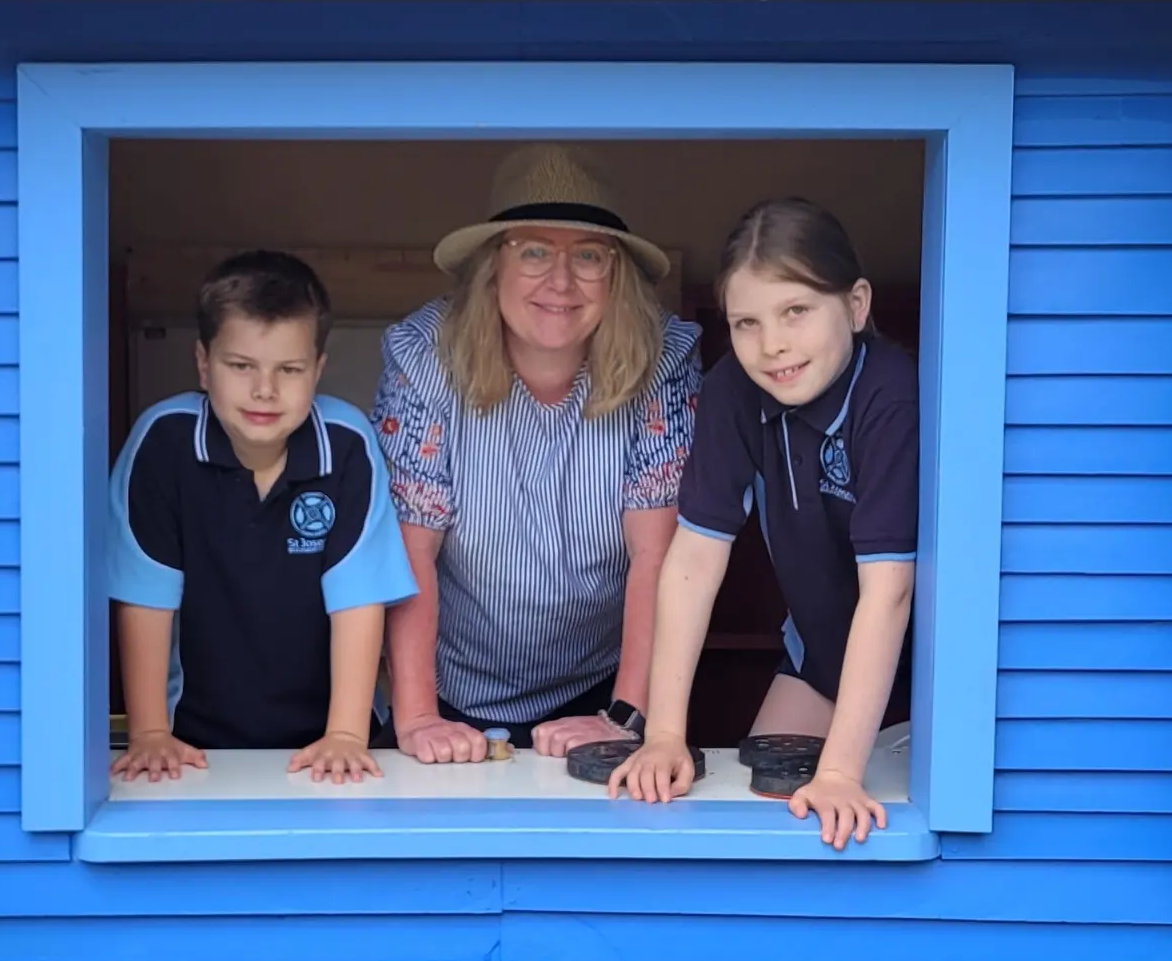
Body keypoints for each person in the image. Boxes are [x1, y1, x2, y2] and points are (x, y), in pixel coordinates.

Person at [372, 145, 700, 758]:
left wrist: (626, 716)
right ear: (492, 265)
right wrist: (416, 717)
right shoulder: (423, 358)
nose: (561, 282)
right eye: (534, 252)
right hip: (447, 687)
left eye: (589, 256)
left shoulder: (665, 359)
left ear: (618, 273)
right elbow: (412, 550)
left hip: (605, 684)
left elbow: (659, 557)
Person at [611, 199, 918, 848]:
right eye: (745, 322)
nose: (771, 344)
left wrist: (839, 769)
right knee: (759, 824)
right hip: (820, 659)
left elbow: (889, 590)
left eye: (795, 312)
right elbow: (692, 560)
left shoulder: (891, 394)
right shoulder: (732, 389)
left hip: (922, 675)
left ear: (857, 305)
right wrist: (664, 733)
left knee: (856, 831)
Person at [111, 250, 415, 783]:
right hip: (193, 737)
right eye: (241, 366)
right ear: (204, 364)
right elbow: (144, 596)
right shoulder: (163, 442)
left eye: (289, 370)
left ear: (318, 370)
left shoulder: (346, 446)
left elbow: (359, 600)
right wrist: (150, 733)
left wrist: (345, 735)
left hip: (330, 733)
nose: (265, 390)